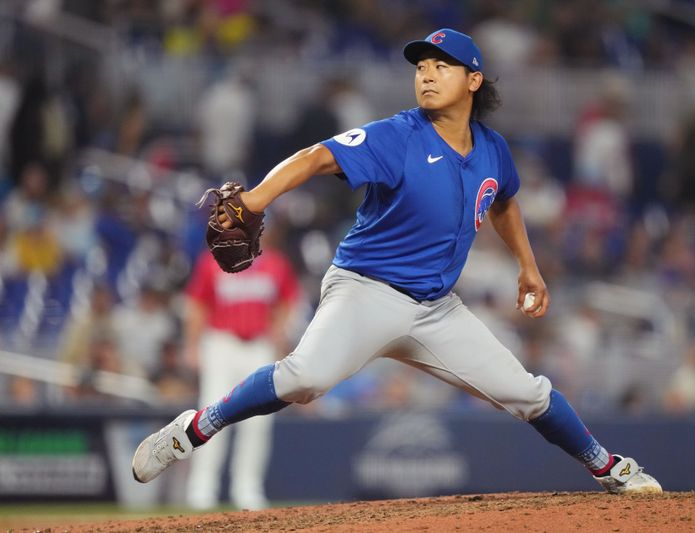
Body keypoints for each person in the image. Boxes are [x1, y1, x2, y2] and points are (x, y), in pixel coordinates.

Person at [133, 28, 661, 495]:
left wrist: (529, 265)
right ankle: (194, 428)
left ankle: (608, 467)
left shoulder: (493, 149)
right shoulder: (399, 135)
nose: (427, 75)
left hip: (437, 310)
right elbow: (318, 156)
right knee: (303, 380)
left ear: (473, 80)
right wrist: (255, 200)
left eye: (441, 66)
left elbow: (502, 200)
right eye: (421, 67)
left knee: (527, 392)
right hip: (365, 291)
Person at [182, 232, 300, 510]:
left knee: (258, 422)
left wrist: (279, 331)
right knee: (209, 415)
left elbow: (288, 300)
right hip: (221, 343)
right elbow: (197, 303)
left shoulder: (275, 264)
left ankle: (247, 487)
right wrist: (191, 344)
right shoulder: (214, 260)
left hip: (259, 346)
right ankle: (202, 488)